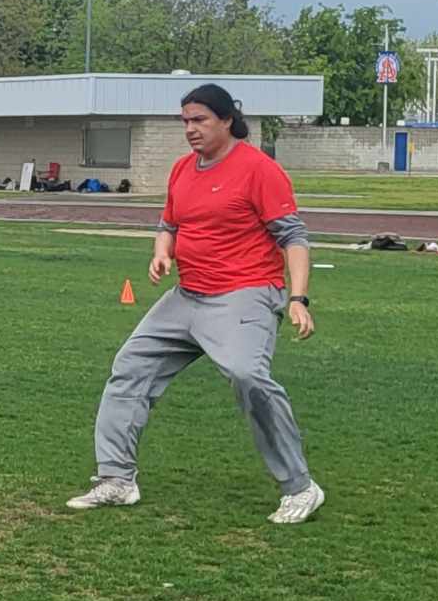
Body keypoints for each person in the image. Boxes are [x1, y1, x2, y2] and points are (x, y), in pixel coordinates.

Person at [67, 83, 326, 524]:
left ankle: (300, 487)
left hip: (244, 294)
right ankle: (116, 479)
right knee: (130, 368)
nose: (190, 129)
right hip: (187, 296)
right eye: (185, 120)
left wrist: (298, 298)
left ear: (227, 119)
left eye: (199, 120)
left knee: (248, 376)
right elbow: (169, 223)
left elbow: (293, 238)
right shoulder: (183, 170)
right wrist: (162, 252)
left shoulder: (259, 170)